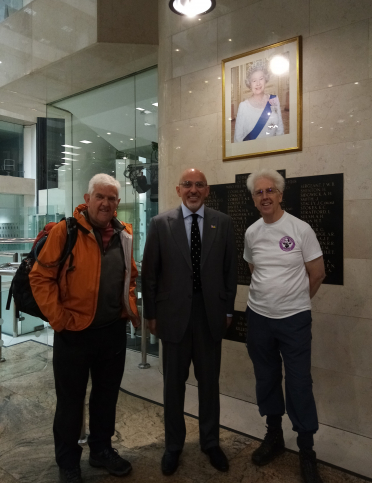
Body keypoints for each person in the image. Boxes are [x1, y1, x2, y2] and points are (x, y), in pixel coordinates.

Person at [30, 173, 140, 483]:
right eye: (100, 197)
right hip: (73, 333)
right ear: (87, 198)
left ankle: (101, 451)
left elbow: (130, 277)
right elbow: (40, 278)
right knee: (70, 402)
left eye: (111, 198)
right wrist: (60, 319)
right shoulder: (67, 231)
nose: (105, 203)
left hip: (112, 332)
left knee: (106, 397)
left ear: (117, 203)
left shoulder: (125, 234)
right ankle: (68, 463)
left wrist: (128, 308)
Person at [141, 168, 237, 476]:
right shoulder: (160, 224)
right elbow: (150, 274)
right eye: (187, 185)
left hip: (210, 316)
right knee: (173, 386)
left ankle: (210, 443)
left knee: (209, 384)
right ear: (178, 189)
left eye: (199, 185)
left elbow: (229, 271)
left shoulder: (222, 223)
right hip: (172, 318)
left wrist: (229, 311)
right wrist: (151, 314)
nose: (193, 190)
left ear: (207, 190)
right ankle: (173, 446)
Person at [243, 169, 326, 483]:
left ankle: (307, 451)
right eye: (258, 193)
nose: (264, 197)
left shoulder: (300, 229)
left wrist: (293, 301)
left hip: (294, 321)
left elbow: (316, 273)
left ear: (279, 194)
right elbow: (254, 269)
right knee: (265, 379)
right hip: (259, 319)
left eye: (269, 191)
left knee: (299, 383)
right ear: (254, 199)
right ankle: (274, 437)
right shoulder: (252, 233)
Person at [234, 60, 284, 142]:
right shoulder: (243, 106)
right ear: (249, 84)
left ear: (265, 79)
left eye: (261, 79)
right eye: (254, 81)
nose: (258, 84)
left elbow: (280, 130)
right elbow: (238, 138)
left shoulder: (274, 100)